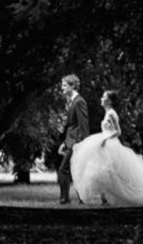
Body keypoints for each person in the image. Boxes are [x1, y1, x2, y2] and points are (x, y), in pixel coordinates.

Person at [56, 74, 89, 204]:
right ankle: (80, 198)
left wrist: (82, 144)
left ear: (73, 86)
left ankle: (65, 199)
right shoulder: (72, 101)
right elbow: (72, 126)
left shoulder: (79, 101)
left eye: (64, 85)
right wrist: (65, 143)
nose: (62, 88)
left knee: (63, 169)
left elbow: (83, 125)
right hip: (71, 141)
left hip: (77, 142)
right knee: (76, 170)